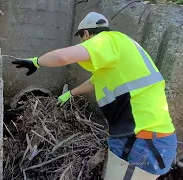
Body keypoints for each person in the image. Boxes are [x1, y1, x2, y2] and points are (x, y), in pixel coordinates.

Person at [12, 12, 177, 179]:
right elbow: (94, 82)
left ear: (86, 34)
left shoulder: (107, 39)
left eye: (82, 40)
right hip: (145, 139)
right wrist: (69, 94)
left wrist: (36, 62)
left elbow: (63, 57)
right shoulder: (120, 50)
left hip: (143, 142)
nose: (83, 44)